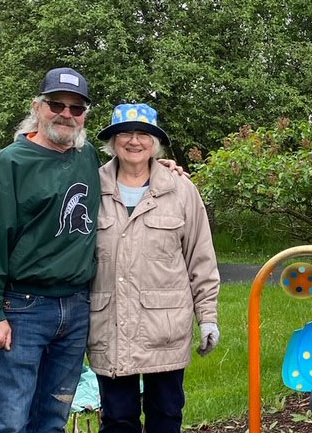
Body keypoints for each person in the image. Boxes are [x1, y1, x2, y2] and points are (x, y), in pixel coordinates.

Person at [0, 67, 100, 433]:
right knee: (9, 421)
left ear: (84, 116)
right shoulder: (10, 163)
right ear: (38, 107)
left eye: (76, 108)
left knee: (52, 419)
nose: (66, 114)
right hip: (23, 307)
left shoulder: (88, 158)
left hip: (77, 306)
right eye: (56, 104)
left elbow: (131, 172)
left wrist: (161, 168)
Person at [88, 103, 220, 433]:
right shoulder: (89, 187)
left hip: (166, 330)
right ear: (112, 141)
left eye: (143, 134)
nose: (134, 141)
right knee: (118, 418)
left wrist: (208, 318)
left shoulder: (181, 190)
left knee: (166, 415)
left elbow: (200, 259)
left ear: (155, 143)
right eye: (125, 134)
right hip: (110, 327)